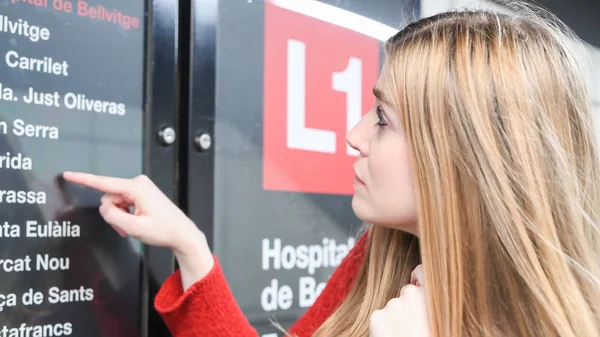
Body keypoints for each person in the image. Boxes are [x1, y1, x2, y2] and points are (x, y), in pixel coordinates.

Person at [62, 3, 600, 337]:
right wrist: (190, 248)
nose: (354, 135)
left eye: (383, 119)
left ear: (465, 156)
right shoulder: (380, 255)